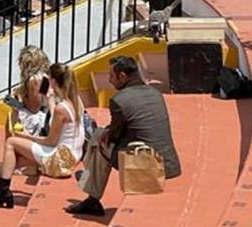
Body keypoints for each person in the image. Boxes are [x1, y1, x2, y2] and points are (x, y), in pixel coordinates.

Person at [0, 62, 85, 208]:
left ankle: (1, 192)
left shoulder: (62, 108)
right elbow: (57, 124)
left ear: (53, 81)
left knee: (11, 142)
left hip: (60, 161)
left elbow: (50, 141)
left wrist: (25, 136)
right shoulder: (74, 101)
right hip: (70, 156)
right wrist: (50, 99)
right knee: (16, 160)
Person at [66, 56, 181, 216]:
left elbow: (113, 137)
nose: (110, 81)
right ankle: (88, 178)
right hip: (167, 164)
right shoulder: (155, 93)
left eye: (112, 76)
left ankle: (91, 192)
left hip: (146, 166)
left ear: (123, 76)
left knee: (98, 139)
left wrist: (105, 133)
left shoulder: (119, 100)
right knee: (102, 136)